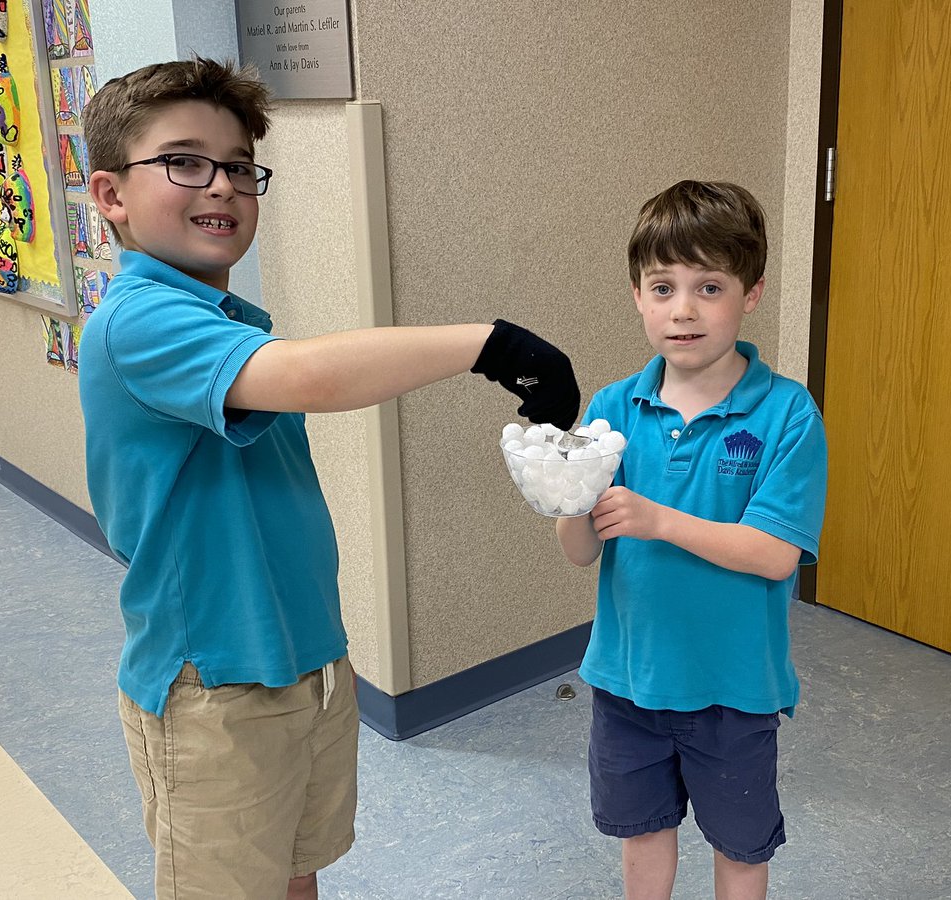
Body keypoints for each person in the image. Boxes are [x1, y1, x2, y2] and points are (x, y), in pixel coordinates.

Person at [78, 58, 579, 900]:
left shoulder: (221, 317)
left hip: (306, 662)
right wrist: (491, 345)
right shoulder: (137, 320)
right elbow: (311, 376)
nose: (223, 185)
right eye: (185, 161)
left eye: (240, 165)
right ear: (111, 195)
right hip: (214, 689)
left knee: (295, 869)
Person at [556, 180, 827, 900]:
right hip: (627, 681)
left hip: (732, 689)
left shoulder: (786, 413)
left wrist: (656, 520)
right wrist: (563, 497)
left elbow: (774, 554)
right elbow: (581, 550)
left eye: (709, 286)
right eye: (662, 286)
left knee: (740, 845)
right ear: (637, 297)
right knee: (642, 833)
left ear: (752, 293)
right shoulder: (613, 407)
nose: (683, 309)